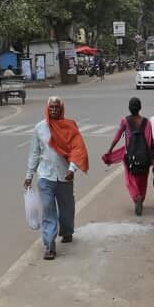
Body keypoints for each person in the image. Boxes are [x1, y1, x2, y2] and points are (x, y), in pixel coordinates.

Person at [24, 96, 89, 260]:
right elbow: (34, 153)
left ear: (61, 109)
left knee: (67, 208)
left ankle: (67, 231)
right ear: (47, 108)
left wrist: (72, 168)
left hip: (65, 176)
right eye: (51, 107)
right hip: (45, 176)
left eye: (56, 107)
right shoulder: (40, 128)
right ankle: (49, 245)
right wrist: (29, 175)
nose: (53, 110)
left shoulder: (69, 126)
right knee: (48, 210)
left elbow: (78, 149)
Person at [106, 97, 153, 215]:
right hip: (144, 156)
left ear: (129, 108)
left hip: (130, 156)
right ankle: (141, 196)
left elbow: (117, 137)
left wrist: (110, 150)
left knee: (130, 179)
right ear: (140, 108)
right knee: (143, 178)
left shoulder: (125, 121)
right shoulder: (147, 122)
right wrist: (150, 156)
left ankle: (136, 196)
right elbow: (149, 141)